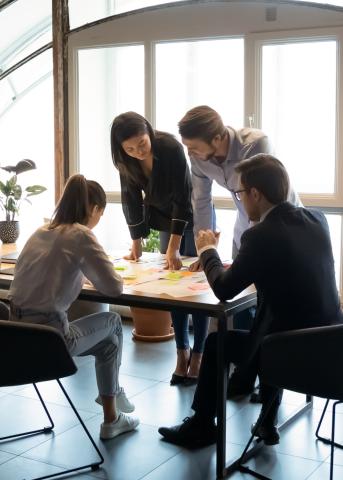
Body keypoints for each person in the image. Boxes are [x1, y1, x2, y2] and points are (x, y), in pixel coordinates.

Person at [158, 154, 343, 448]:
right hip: (332, 349)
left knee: (218, 344)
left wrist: (207, 251)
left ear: (255, 194)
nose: (240, 200)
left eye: (240, 193)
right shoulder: (317, 219)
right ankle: (267, 421)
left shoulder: (259, 235)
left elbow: (223, 289)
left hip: (289, 354)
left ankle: (202, 426)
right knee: (275, 319)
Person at [178, 105, 302, 397]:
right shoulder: (198, 157)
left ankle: (268, 372)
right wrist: (203, 247)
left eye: (194, 147)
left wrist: (251, 243)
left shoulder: (255, 144)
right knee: (241, 302)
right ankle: (244, 373)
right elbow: (201, 200)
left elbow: (266, 195)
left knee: (268, 301)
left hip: (280, 225)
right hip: (244, 225)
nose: (191, 153)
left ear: (218, 137)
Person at [8, 174, 139, 440]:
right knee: (113, 324)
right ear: (94, 209)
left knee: (108, 341)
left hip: (12, 341)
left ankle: (114, 404)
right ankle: (112, 413)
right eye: (100, 214)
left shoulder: (41, 230)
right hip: (49, 344)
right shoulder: (81, 235)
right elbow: (114, 288)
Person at [110, 111, 211, 384]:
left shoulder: (170, 148)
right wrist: (136, 243)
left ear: (149, 131)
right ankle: (181, 353)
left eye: (142, 143)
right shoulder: (126, 161)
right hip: (166, 221)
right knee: (173, 290)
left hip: (193, 217)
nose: (138, 151)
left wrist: (174, 247)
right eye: (129, 148)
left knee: (197, 289)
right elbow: (130, 199)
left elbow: (182, 197)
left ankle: (199, 355)